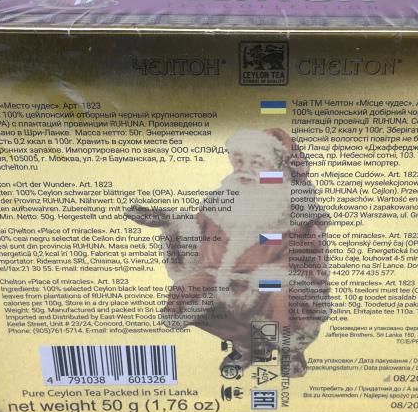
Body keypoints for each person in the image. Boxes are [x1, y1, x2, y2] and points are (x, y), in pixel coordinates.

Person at [126, 127, 330, 377]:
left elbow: (307, 261)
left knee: (280, 294)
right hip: (222, 275)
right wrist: (169, 223)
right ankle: (246, 344)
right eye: (240, 161)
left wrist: (262, 276)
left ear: (278, 169)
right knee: (186, 292)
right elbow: (197, 237)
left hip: (275, 279)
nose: (245, 169)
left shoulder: (296, 209)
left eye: (257, 163)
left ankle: (291, 349)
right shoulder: (221, 201)